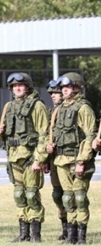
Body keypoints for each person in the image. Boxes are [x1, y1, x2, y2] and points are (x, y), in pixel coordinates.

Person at [0, 72, 49, 243]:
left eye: (21, 85)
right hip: (13, 157)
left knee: (31, 195)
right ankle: (23, 233)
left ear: (27, 87)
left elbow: (44, 134)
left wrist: (39, 159)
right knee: (19, 194)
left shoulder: (37, 106)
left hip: (30, 158)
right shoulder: (9, 107)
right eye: (14, 86)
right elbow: (1, 135)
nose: (17, 88)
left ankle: (35, 235)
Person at [47, 72, 96, 244]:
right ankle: (71, 236)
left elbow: (90, 136)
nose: (64, 90)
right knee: (67, 199)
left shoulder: (83, 108)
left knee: (80, 199)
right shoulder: (60, 109)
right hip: (61, 160)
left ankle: (81, 237)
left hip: (78, 160)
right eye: (63, 88)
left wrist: (82, 161)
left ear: (76, 87)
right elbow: (52, 133)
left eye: (67, 87)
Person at [44, 80, 68, 241]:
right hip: (54, 160)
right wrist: (46, 158)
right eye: (51, 93)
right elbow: (47, 136)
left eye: (56, 92)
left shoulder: (74, 110)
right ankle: (65, 228)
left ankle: (75, 231)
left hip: (69, 159)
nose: (53, 95)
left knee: (71, 196)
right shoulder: (51, 112)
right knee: (57, 194)